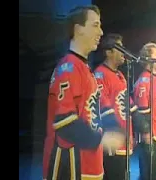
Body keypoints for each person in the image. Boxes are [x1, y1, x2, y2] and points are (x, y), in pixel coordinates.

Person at [42, 6, 124, 180]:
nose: (101, 32)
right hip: (71, 165)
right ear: (78, 30)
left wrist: (113, 127)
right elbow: (64, 122)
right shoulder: (68, 68)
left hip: (90, 162)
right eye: (95, 25)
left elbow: (99, 106)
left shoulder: (85, 68)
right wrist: (102, 139)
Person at [93, 33, 145, 180]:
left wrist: (137, 122)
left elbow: (126, 100)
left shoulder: (120, 75)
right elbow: (103, 105)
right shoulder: (100, 75)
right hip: (112, 142)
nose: (124, 52)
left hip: (124, 140)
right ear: (109, 52)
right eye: (119, 48)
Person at [133, 42, 156, 180]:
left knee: (154, 172)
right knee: (148, 173)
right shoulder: (144, 80)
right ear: (148, 58)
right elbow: (141, 110)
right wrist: (146, 131)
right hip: (150, 135)